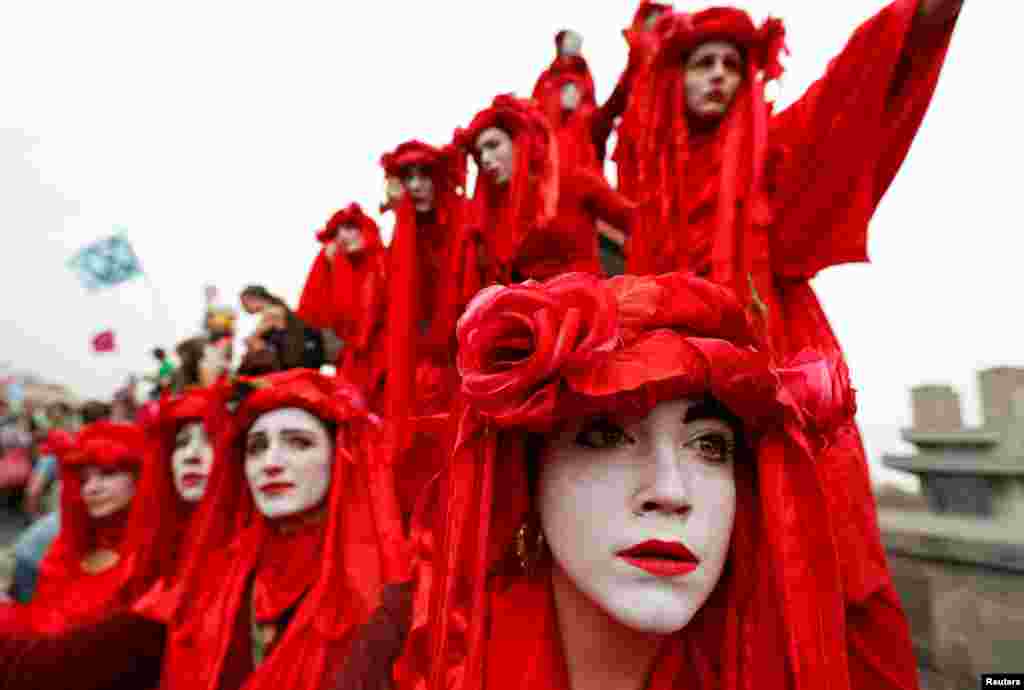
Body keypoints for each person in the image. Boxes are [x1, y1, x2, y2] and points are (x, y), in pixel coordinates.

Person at [619, 3, 961, 679]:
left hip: (781, 382)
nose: (717, 76)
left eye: (730, 64)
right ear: (676, 78)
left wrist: (922, 17)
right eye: (701, 62)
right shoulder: (651, 184)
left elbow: (851, 97)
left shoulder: (774, 147)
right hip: (680, 407)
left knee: (820, 570)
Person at [395, 271, 918, 690]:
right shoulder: (409, 655)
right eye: (604, 436)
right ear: (528, 478)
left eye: (710, 447)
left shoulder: (812, 663)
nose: (670, 493)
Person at [160, 369, 407, 690]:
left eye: (298, 443)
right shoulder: (216, 578)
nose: (271, 462)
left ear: (339, 454)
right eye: (257, 448)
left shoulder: (381, 587)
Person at [378, 140, 475, 519]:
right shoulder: (402, 239)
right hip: (418, 372)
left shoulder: (466, 223)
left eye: (423, 175)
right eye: (408, 177)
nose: (416, 185)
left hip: (463, 364)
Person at [454, 95, 635, 283]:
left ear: (519, 143)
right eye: (479, 153)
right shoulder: (491, 214)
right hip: (527, 308)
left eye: (493, 145)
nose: (485, 158)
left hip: (586, 302)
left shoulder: (573, 180)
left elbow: (636, 222)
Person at [296, 206, 387, 402]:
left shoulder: (384, 262)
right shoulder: (336, 266)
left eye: (350, 228)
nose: (343, 236)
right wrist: (332, 267)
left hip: (386, 358)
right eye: (337, 232)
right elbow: (325, 316)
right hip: (353, 362)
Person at [241, 285, 326, 375]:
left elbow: (252, 338)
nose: (244, 307)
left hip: (291, 359)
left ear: (254, 298)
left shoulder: (272, 312)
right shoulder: (279, 308)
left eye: (244, 303)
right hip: (301, 357)